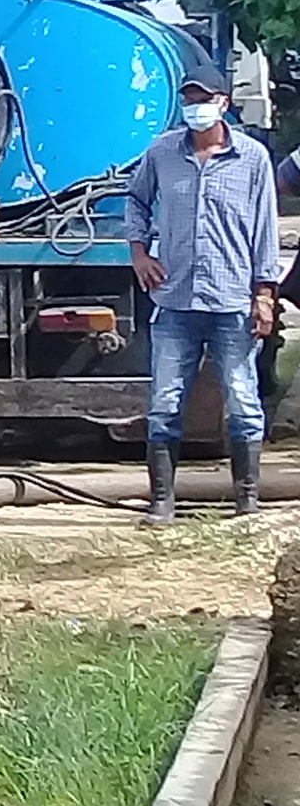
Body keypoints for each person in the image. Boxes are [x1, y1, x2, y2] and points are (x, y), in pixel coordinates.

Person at [125, 68, 280, 522]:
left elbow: (265, 230)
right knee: (164, 403)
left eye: (203, 98)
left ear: (223, 102)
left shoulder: (252, 159)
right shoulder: (161, 153)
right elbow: (135, 201)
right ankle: (161, 501)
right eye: (189, 98)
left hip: (231, 300)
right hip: (175, 301)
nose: (195, 107)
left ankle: (247, 499)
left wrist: (264, 294)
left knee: (242, 399)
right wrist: (139, 252)